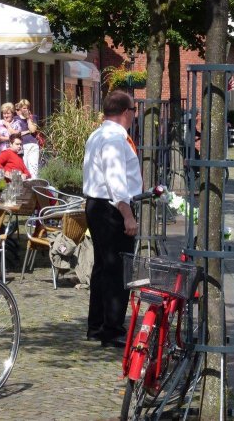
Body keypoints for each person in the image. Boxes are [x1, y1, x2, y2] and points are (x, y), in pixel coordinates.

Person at [83, 90, 142, 348]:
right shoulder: (114, 139)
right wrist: (127, 214)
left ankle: (97, 325)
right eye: (134, 110)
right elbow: (115, 179)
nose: (134, 116)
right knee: (118, 269)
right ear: (127, 112)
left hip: (98, 205)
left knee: (102, 267)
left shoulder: (98, 135)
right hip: (112, 208)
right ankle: (112, 328)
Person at [14, 99, 40, 178]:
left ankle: (33, 187)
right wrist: (26, 132)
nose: (26, 110)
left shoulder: (33, 117)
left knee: (33, 169)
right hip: (22, 146)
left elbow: (32, 130)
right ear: (20, 108)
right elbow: (16, 133)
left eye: (27, 108)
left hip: (33, 145)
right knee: (23, 169)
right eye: (24, 108)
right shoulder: (16, 119)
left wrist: (28, 119)